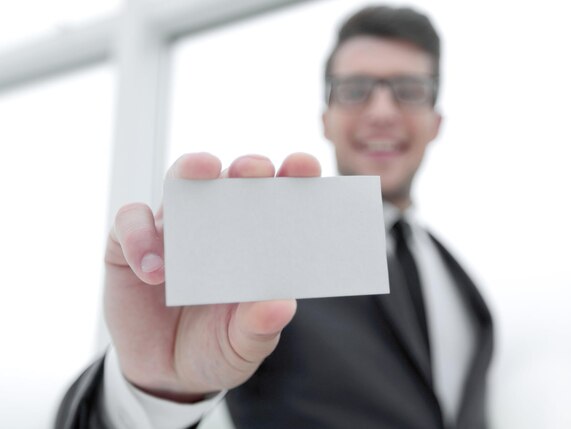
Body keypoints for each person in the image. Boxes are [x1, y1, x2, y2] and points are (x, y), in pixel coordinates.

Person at [56, 5, 493, 429]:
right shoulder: (263, 253)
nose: (382, 111)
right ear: (326, 118)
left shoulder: (466, 291)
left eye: (410, 90)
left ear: (436, 121)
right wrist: (149, 391)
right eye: (355, 90)